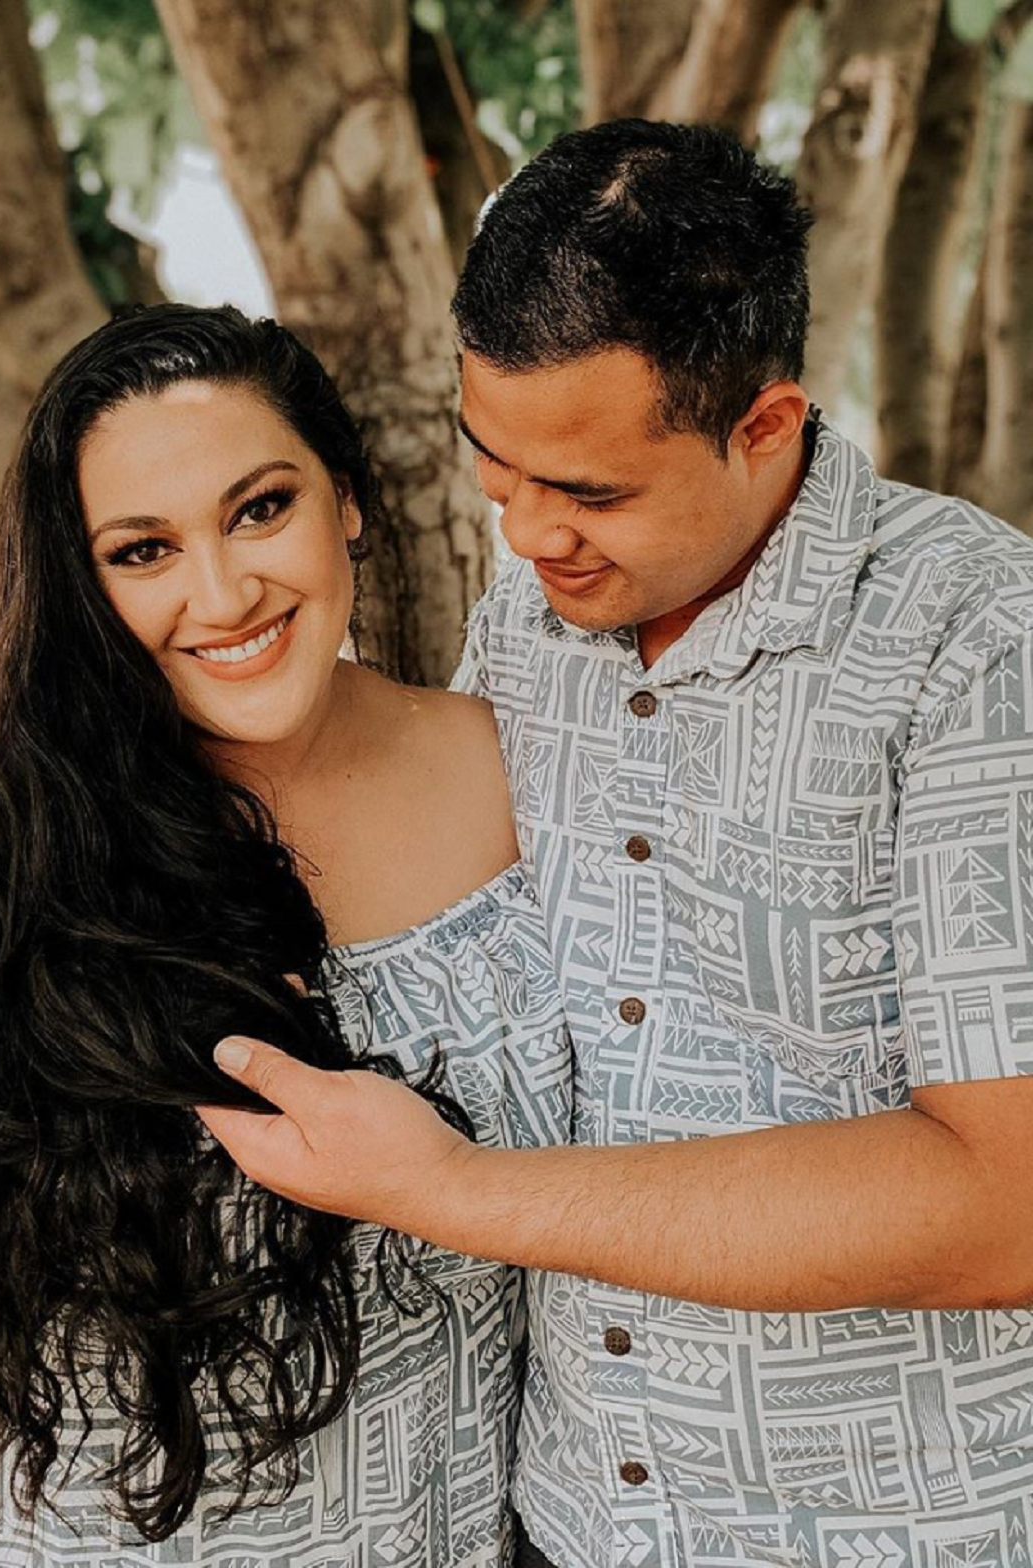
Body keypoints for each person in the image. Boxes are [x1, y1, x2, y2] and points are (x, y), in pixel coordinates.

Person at [201, 120, 1033, 1568]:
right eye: (496, 469)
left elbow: (1008, 1202)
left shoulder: (979, 646)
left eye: (590, 491)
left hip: (879, 1532)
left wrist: (452, 1193)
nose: (528, 535)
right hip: (570, 1510)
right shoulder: (529, 623)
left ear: (765, 426)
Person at [0, 304, 572, 1566]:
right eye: (142, 550)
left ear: (347, 498)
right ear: (82, 583)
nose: (222, 594)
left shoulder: (530, 781)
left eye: (260, 508)